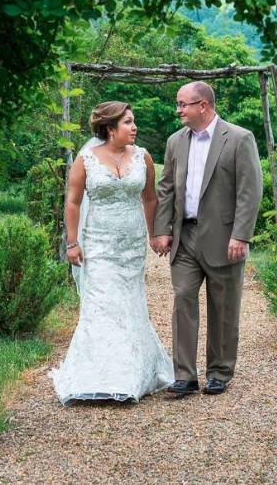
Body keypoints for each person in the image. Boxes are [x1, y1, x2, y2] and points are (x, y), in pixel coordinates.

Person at [49, 101, 173, 404]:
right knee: (102, 304)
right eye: (128, 122)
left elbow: (149, 199)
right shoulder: (86, 159)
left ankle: (131, 373)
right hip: (98, 243)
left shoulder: (143, 157)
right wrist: (72, 242)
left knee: (130, 304)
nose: (134, 128)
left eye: (133, 122)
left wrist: (153, 234)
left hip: (130, 245)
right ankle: (97, 376)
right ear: (110, 128)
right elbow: (73, 202)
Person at [152, 81, 263, 396]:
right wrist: (162, 229)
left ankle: (219, 372)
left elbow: (249, 190)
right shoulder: (175, 141)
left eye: (183, 104)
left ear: (204, 105)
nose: (178, 110)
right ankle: (185, 375)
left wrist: (241, 234)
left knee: (223, 307)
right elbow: (166, 188)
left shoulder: (240, 138)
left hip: (225, 237)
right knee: (182, 299)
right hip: (185, 236)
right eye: (178, 103)